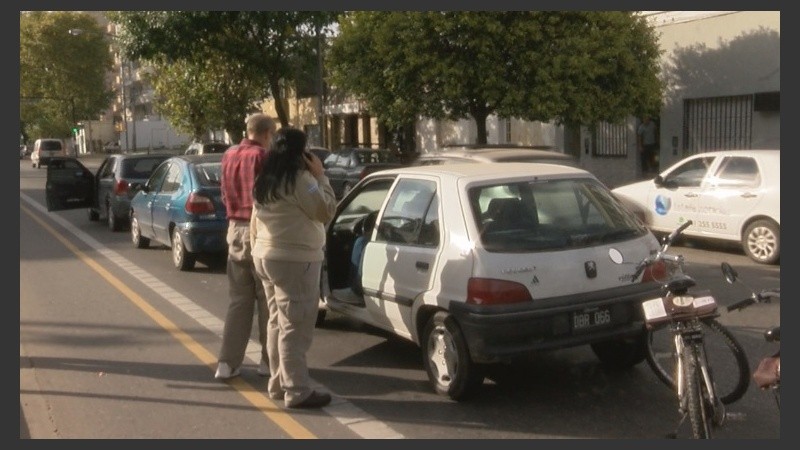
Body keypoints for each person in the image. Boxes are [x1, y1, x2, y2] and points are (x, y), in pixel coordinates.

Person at [250, 127, 338, 408]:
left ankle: (278, 383)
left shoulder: (264, 180)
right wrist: (320, 175)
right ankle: (297, 390)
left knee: (276, 321)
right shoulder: (301, 180)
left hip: (265, 255)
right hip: (295, 260)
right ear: (301, 153)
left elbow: (254, 221)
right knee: (295, 327)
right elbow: (324, 210)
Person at [214, 113, 276, 380]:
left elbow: (224, 194)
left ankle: (227, 363)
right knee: (267, 301)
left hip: (234, 231)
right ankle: (268, 361)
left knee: (239, 301)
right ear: (267, 134)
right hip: (260, 229)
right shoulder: (263, 157)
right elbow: (274, 196)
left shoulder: (228, 155)